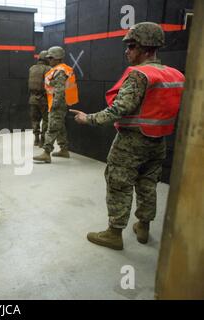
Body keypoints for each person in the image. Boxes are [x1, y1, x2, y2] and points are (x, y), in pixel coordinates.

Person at [70, 22, 185, 250]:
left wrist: (88, 119)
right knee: (148, 183)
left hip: (132, 142)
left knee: (118, 183)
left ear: (145, 48)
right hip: (159, 141)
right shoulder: (176, 74)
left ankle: (114, 233)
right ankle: (143, 226)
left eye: (131, 46)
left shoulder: (139, 74)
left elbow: (119, 109)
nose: (127, 51)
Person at [33, 46, 78, 163]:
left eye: (51, 58)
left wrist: (54, 105)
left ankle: (46, 152)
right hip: (57, 103)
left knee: (52, 127)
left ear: (58, 58)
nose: (49, 60)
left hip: (57, 104)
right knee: (60, 126)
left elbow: (59, 90)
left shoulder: (60, 71)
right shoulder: (59, 69)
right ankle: (64, 150)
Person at [28, 50, 51, 147]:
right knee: (46, 120)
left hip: (32, 98)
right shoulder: (48, 68)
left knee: (35, 120)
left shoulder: (32, 68)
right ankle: (42, 140)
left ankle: (36, 139)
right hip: (44, 99)